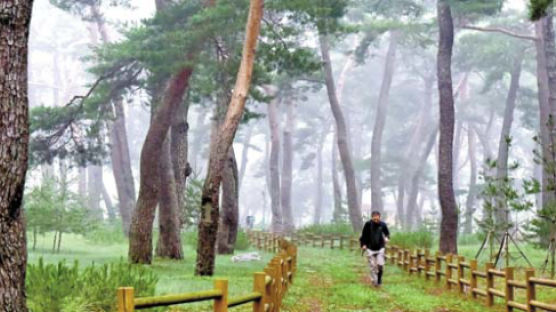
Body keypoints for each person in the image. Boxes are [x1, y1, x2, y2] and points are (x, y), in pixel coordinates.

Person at [359, 211, 390, 287]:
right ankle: (374, 281)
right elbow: (363, 236)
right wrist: (363, 245)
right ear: (372, 217)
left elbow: (387, 234)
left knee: (380, 265)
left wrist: (386, 238)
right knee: (373, 265)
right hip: (370, 248)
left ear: (379, 217)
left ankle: (379, 280)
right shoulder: (368, 224)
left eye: (377, 217)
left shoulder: (383, 225)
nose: (376, 218)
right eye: (374, 217)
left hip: (380, 247)